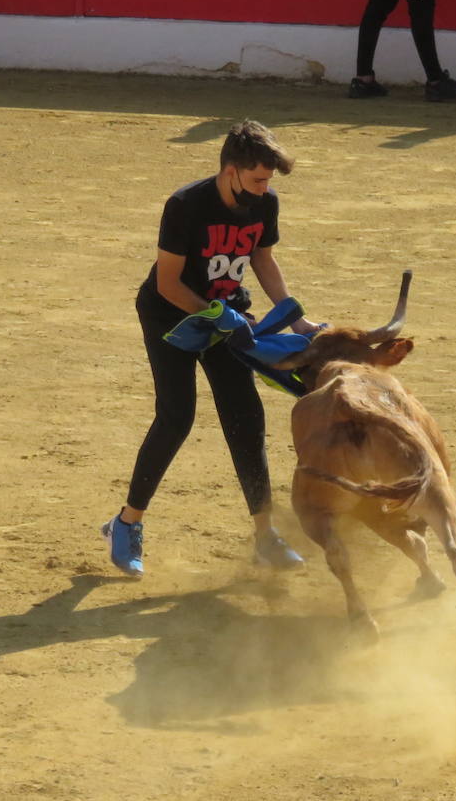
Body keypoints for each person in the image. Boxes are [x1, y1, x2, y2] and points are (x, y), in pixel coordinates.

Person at [102, 120, 323, 578]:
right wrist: (217, 315)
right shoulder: (186, 205)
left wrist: (294, 315)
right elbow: (167, 284)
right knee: (176, 416)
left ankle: (265, 537)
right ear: (230, 171)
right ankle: (126, 524)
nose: (264, 190)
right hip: (171, 317)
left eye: (269, 181)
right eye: (258, 179)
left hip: (227, 318)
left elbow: (262, 257)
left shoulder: (265, 203)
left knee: (246, 418)